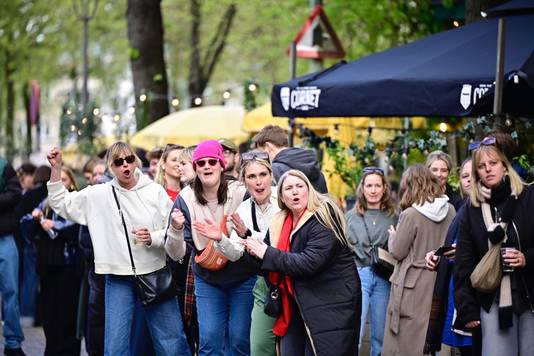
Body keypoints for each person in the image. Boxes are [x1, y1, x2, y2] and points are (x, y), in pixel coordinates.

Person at [45, 142, 191, 356]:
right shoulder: (98, 194)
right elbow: (61, 203)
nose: (125, 165)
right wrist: (56, 169)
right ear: (110, 167)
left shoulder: (154, 191)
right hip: (117, 277)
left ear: (136, 162)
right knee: (115, 348)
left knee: (172, 344)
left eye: (129, 159)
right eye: (118, 162)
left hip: (155, 272)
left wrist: (153, 237)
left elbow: (172, 232)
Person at [243, 169, 361, 356]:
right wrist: (250, 250)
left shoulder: (323, 216)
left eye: (300, 186)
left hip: (330, 304)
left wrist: (265, 253)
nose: (295, 192)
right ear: (281, 196)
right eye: (289, 188)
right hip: (295, 303)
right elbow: (267, 263)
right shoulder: (279, 221)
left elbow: (309, 263)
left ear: (309, 190)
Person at [164, 140, 254, 356]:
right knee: (210, 342)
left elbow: (254, 235)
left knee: (240, 340)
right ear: (195, 168)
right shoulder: (185, 198)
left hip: (242, 275)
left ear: (222, 165)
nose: (207, 166)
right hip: (208, 278)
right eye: (201, 163)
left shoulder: (241, 193)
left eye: (212, 161)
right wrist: (175, 229)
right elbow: (176, 254)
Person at [454, 140, 534, 356]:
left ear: (505, 165)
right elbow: (463, 262)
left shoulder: (528, 197)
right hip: (493, 300)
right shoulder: (472, 210)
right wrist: (467, 309)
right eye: (481, 166)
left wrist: (526, 258)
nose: (488, 169)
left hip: (529, 295)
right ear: (477, 172)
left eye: (493, 162)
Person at [382, 164, 455, 356]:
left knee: (407, 341)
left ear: (410, 186)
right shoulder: (451, 210)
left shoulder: (410, 214)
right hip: (441, 280)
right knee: (431, 335)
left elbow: (397, 252)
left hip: (412, 284)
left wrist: (393, 236)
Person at [215, 150, 280, 356]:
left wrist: (249, 235)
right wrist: (220, 239)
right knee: (259, 347)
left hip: (295, 281)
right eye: (252, 176)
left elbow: (282, 242)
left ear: (271, 176)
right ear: (244, 181)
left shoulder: (285, 198)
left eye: (263, 175)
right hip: (265, 283)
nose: (259, 182)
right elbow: (236, 252)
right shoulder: (243, 209)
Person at [23, 167, 83, 356]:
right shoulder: (45, 203)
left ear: (71, 183)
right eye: (57, 181)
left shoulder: (76, 202)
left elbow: (77, 230)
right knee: (50, 314)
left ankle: (68, 351)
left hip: (69, 266)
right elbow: (25, 226)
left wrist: (55, 225)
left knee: (67, 314)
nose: (61, 184)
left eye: (64, 180)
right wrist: (35, 219)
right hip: (48, 267)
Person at [424, 158, 475, 356]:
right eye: (464, 176)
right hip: (458, 290)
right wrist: (440, 257)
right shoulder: (464, 207)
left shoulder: (480, 207)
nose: (469, 180)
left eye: (473, 175)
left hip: (478, 295)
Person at [346, 166, 398, 356]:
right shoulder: (351, 217)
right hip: (359, 275)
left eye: (377, 185)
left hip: (384, 276)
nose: (373, 190)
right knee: (356, 331)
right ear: (363, 188)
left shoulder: (394, 216)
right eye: (369, 185)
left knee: (380, 334)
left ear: (384, 188)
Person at [15, 166, 51, 328]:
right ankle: (45, 316)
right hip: (49, 241)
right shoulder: (52, 194)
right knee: (48, 281)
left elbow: (19, 218)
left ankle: (27, 317)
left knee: (29, 280)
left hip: (31, 242)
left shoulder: (29, 195)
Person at [253, 125, 328, 193]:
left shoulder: (277, 168)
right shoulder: (310, 161)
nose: (263, 158)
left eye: (262, 152)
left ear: (268, 146)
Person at [0, 156, 26, 356]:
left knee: (11, 291)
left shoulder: (3, 165)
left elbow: (16, 194)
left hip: (4, 238)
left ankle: (13, 343)